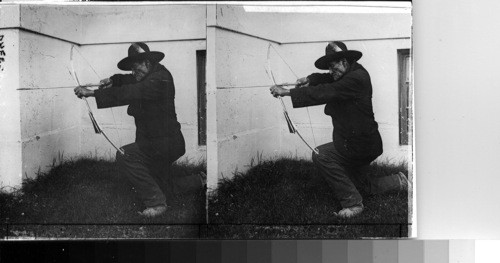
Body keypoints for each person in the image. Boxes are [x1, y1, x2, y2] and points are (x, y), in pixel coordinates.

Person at [270, 41, 409, 218]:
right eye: (328, 67)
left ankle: (353, 205)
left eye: (332, 66)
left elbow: (329, 90)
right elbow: (326, 79)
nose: (330, 71)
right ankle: (398, 181)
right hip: (360, 142)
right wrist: (309, 79)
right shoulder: (349, 72)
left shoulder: (357, 78)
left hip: (360, 145)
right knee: (355, 184)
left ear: (344, 62)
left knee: (321, 154)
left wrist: (287, 92)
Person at [74, 42, 205, 218]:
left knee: (125, 155)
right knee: (164, 186)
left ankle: (157, 204)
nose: (134, 73)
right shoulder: (147, 74)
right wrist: (112, 81)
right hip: (157, 143)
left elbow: (133, 91)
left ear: (148, 63)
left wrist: (92, 93)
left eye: (136, 69)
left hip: (166, 144)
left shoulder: (160, 79)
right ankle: (200, 180)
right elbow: (128, 80)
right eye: (132, 70)